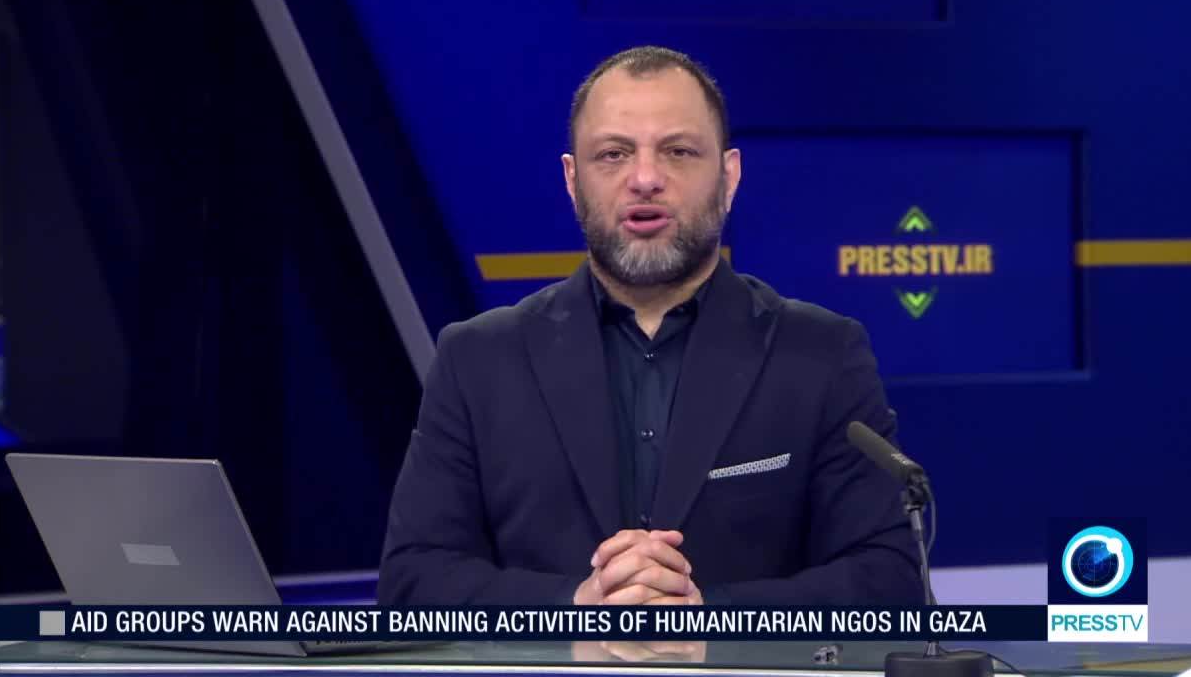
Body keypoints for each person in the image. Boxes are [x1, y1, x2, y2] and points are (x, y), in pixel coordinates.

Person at [378, 46, 923, 606]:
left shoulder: (821, 355)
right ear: (572, 179)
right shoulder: (477, 360)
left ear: (729, 176)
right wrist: (574, 608)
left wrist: (711, 619)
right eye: (613, 154)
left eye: (678, 151)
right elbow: (413, 581)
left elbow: (890, 579)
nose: (644, 178)